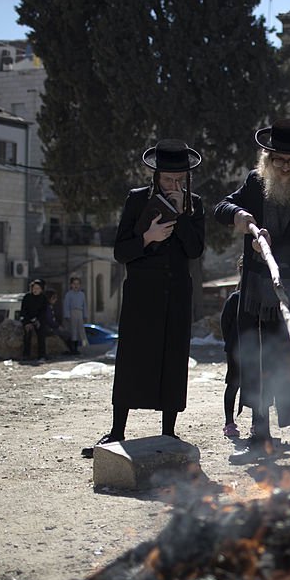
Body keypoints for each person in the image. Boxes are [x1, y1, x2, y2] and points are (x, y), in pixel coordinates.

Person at [214, 119, 290, 460]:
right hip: (256, 291)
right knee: (257, 359)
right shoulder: (254, 183)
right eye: (278, 159)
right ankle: (259, 431)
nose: (284, 167)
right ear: (267, 160)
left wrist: (270, 247)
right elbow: (222, 207)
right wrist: (238, 214)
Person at [81, 139, 206, 458]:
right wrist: (148, 237)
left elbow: (195, 250)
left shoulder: (195, 205)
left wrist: (180, 219)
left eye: (179, 180)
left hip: (176, 294)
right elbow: (121, 251)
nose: (173, 184)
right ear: (155, 176)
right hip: (141, 294)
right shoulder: (137, 200)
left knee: (173, 359)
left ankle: (168, 432)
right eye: (167, 179)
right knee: (132, 359)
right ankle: (117, 430)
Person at [220, 285, 243, 439]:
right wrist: (231, 343)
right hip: (236, 349)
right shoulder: (235, 299)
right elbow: (225, 323)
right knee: (233, 384)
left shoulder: (259, 297)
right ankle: (229, 423)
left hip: (258, 349)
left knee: (258, 387)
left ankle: (257, 423)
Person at [20, 279, 48, 362]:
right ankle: (26, 355)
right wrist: (27, 322)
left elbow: (43, 311)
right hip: (28, 319)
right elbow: (24, 311)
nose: (35, 290)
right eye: (34, 288)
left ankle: (41, 355)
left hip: (39, 320)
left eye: (38, 288)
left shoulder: (43, 298)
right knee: (27, 335)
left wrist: (37, 320)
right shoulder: (27, 297)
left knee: (41, 335)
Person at [62, 276, 87, 355]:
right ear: (71, 285)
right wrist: (67, 315)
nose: (76, 285)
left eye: (77, 284)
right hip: (72, 312)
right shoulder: (69, 294)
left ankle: (79, 347)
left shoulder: (82, 294)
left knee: (80, 330)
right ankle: (73, 349)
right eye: (74, 284)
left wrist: (85, 315)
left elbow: (84, 305)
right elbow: (66, 305)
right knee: (73, 330)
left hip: (80, 312)